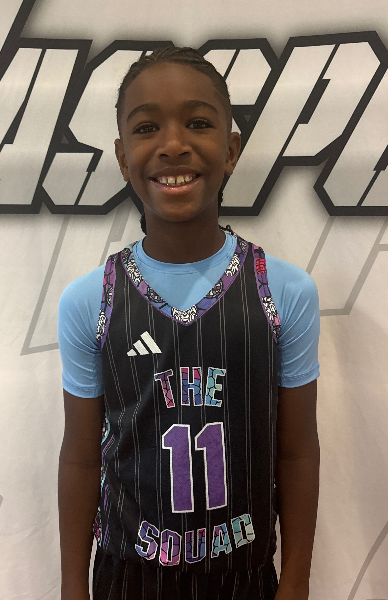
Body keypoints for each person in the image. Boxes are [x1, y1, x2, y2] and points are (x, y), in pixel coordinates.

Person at [58, 46, 320, 600]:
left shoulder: (284, 292)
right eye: (146, 127)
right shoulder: (90, 300)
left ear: (231, 150)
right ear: (122, 156)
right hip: (128, 576)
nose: (173, 144)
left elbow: (297, 452)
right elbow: (80, 458)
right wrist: (71, 588)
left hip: (244, 578)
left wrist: (296, 581)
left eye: (198, 123)